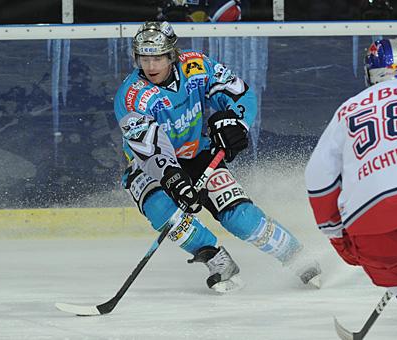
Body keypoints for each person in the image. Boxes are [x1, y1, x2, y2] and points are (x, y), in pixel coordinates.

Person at [114, 21, 321, 293]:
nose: (151, 66)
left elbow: (238, 93)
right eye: (144, 58)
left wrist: (236, 122)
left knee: (240, 217)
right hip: (149, 166)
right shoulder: (131, 96)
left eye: (158, 57)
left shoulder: (196, 66)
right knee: (164, 211)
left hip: (196, 153)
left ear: (172, 54)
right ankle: (215, 258)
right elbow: (148, 145)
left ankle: (295, 256)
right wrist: (173, 177)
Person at [305, 37, 397, 333]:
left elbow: (317, 179)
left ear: (369, 73)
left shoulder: (346, 110)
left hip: (370, 228)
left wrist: (339, 237)